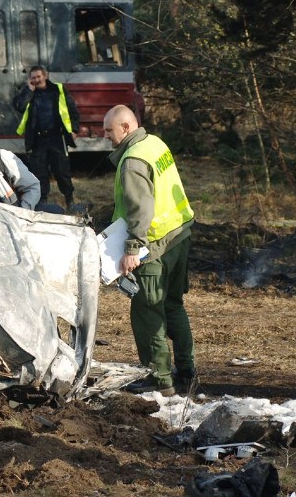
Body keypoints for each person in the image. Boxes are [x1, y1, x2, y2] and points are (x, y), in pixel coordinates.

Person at [103, 105, 196, 396]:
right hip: (179, 236)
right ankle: (187, 371)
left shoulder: (131, 161)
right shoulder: (154, 143)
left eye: (109, 130)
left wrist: (132, 248)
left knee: (148, 312)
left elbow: (140, 210)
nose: (105, 136)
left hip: (153, 247)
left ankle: (160, 379)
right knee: (173, 304)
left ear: (126, 128)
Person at [13, 65, 80, 208]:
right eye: (33, 78)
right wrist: (28, 91)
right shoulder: (28, 93)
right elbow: (19, 106)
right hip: (38, 140)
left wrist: (74, 129)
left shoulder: (58, 90)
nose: (36, 80)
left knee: (62, 171)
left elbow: (72, 109)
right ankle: (42, 201)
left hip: (57, 137)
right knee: (39, 173)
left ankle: (69, 199)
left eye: (38, 76)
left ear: (45, 76)